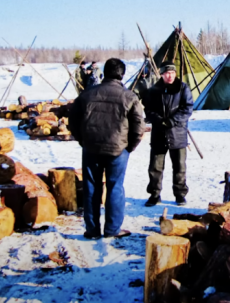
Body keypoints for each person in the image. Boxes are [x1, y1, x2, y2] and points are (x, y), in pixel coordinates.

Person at [69, 58, 145, 239]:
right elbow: (138, 127)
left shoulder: (87, 94)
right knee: (115, 187)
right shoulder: (129, 96)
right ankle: (112, 230)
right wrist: (128, 147)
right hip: (117, 150)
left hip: (92, 148)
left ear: (105, 72)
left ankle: (92, 230)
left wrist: (83, 141)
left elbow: (73, 121)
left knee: (91, 188)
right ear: (122, 74)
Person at [144, 61, 193, 207]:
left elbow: (187, 108)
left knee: (179, 166)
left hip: (177, 133)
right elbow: (148, 110)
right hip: (159, 133)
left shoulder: (183, 88)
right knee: (155, 167)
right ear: (162, 74)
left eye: (172, 73)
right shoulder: (154, 90)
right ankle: (154, 194)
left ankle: (180, 194)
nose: (170, 76)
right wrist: (158, 120)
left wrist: (173, 121)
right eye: (167, 73)